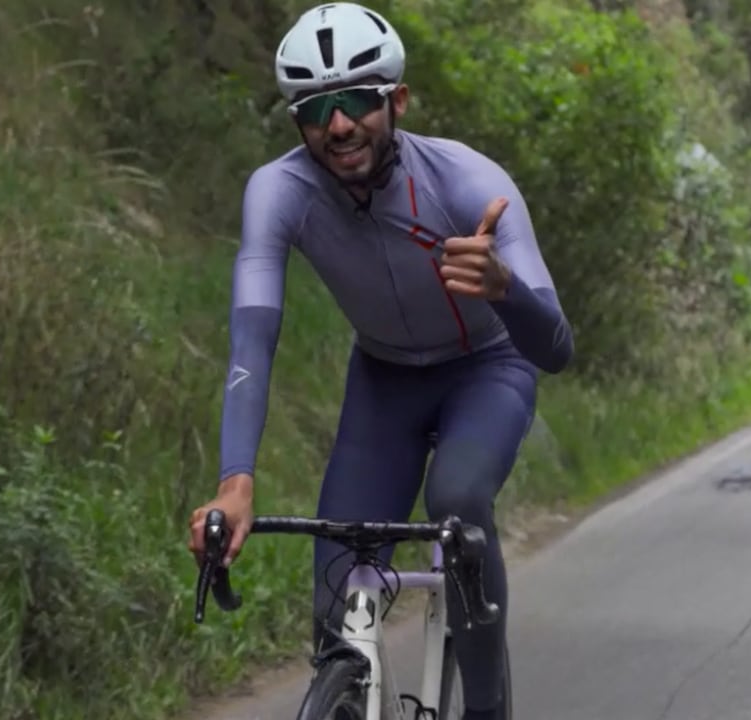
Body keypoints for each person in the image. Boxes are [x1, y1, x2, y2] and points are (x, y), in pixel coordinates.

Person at [187, 3, 574, 718]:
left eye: (357, 102)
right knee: (338, 580)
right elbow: (251, 338)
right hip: (385, 382)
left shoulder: (465, 181)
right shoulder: (279, 191)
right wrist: (234, 481)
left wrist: (506, 290)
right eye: (317, 109)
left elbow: (554, 348)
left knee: (457, 502)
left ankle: (486, 710)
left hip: (487, 368)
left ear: (395, 100)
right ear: (298, 123)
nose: (338, 126)